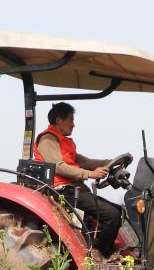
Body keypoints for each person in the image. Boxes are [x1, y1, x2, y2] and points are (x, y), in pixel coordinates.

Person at [32, 102, 123, 259]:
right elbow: (58, 167)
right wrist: (90, 174)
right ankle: (97, 253)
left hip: (74, 189)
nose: (73, 124)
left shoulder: (64, 141)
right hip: (62, 191)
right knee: (112, 215)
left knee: (119, 211)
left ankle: (101, 251)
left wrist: (113, 160)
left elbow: (85, 161)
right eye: (71, 119)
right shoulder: (48, 139)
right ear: (59, 120)